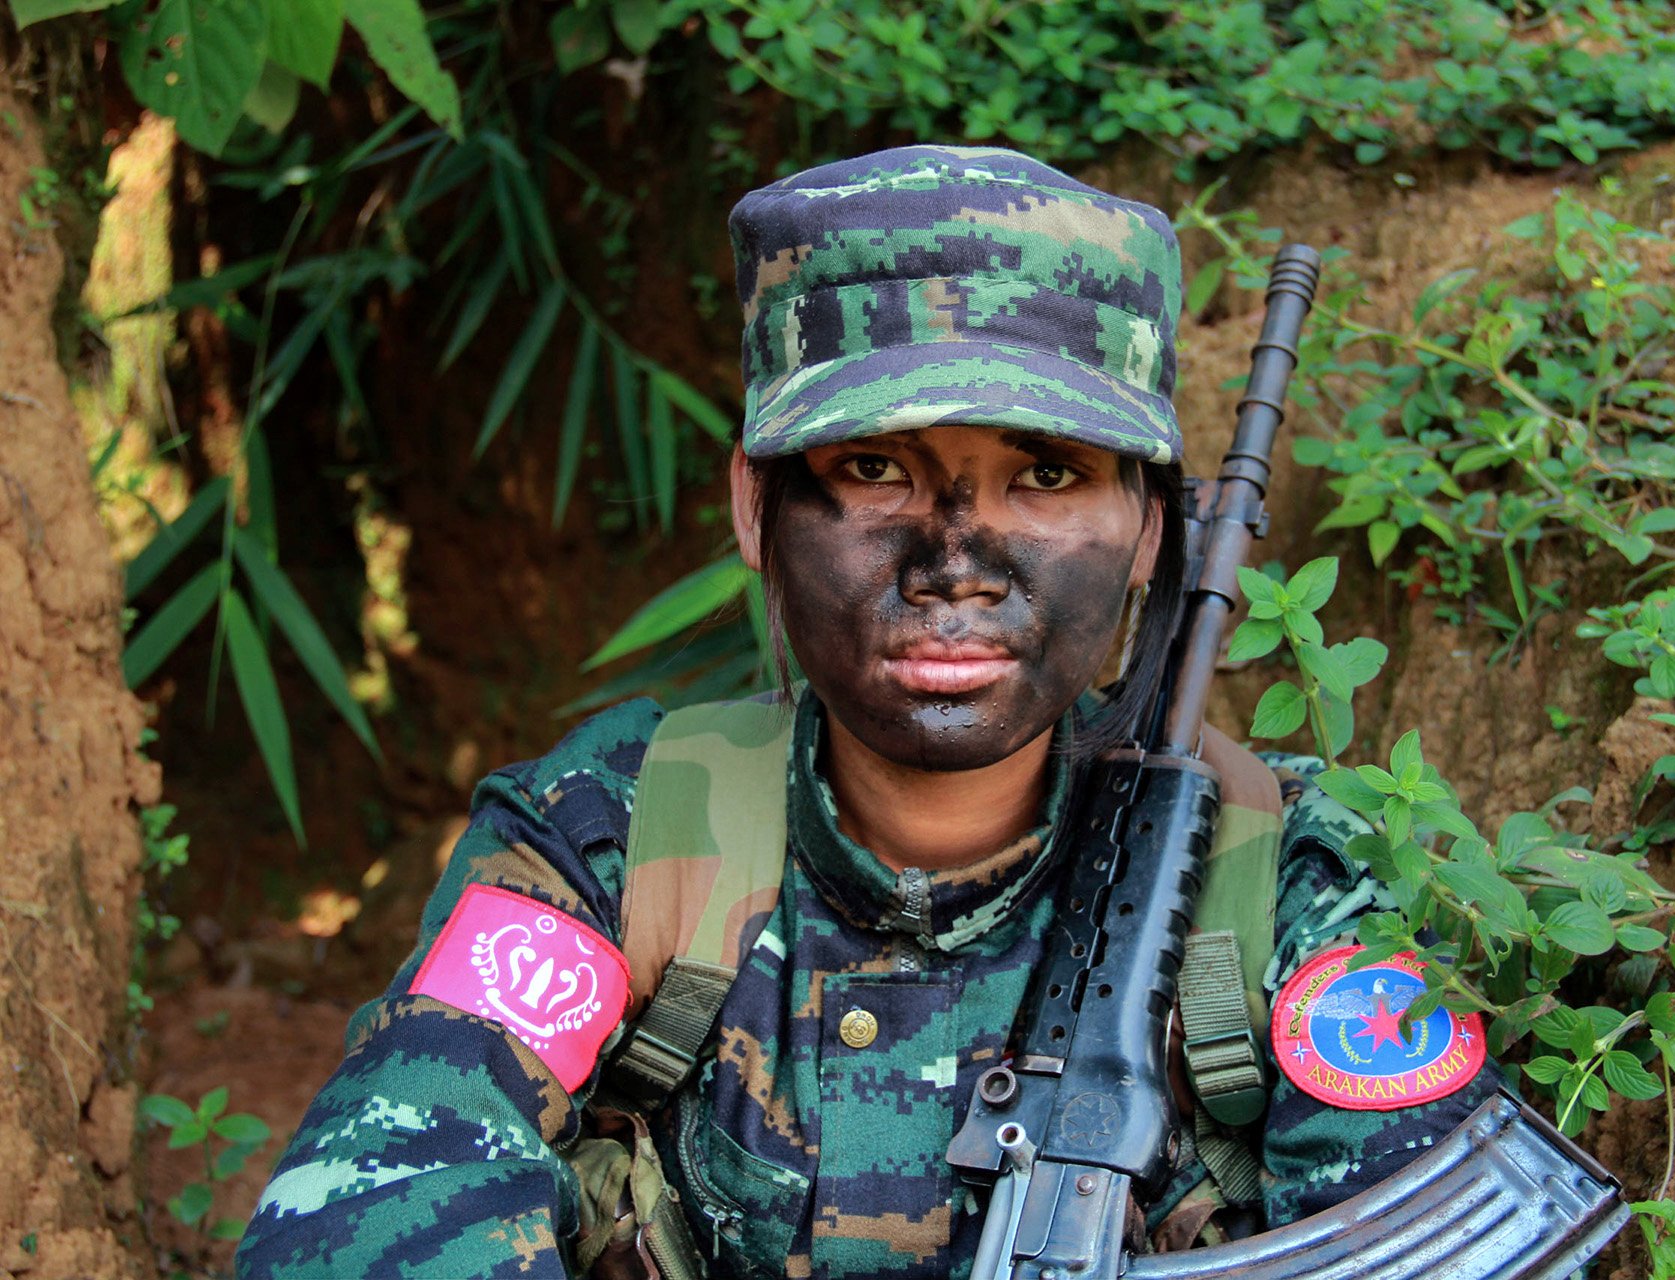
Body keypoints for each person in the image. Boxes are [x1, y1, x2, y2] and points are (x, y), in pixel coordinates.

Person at [235, 145, 1502, 1280]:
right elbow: (378, 1198)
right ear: (755, 507)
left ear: (1146, 535)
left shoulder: (1272, 879)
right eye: (875, 468)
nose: (957, 558)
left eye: (1046, 473)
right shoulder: (611, 833)